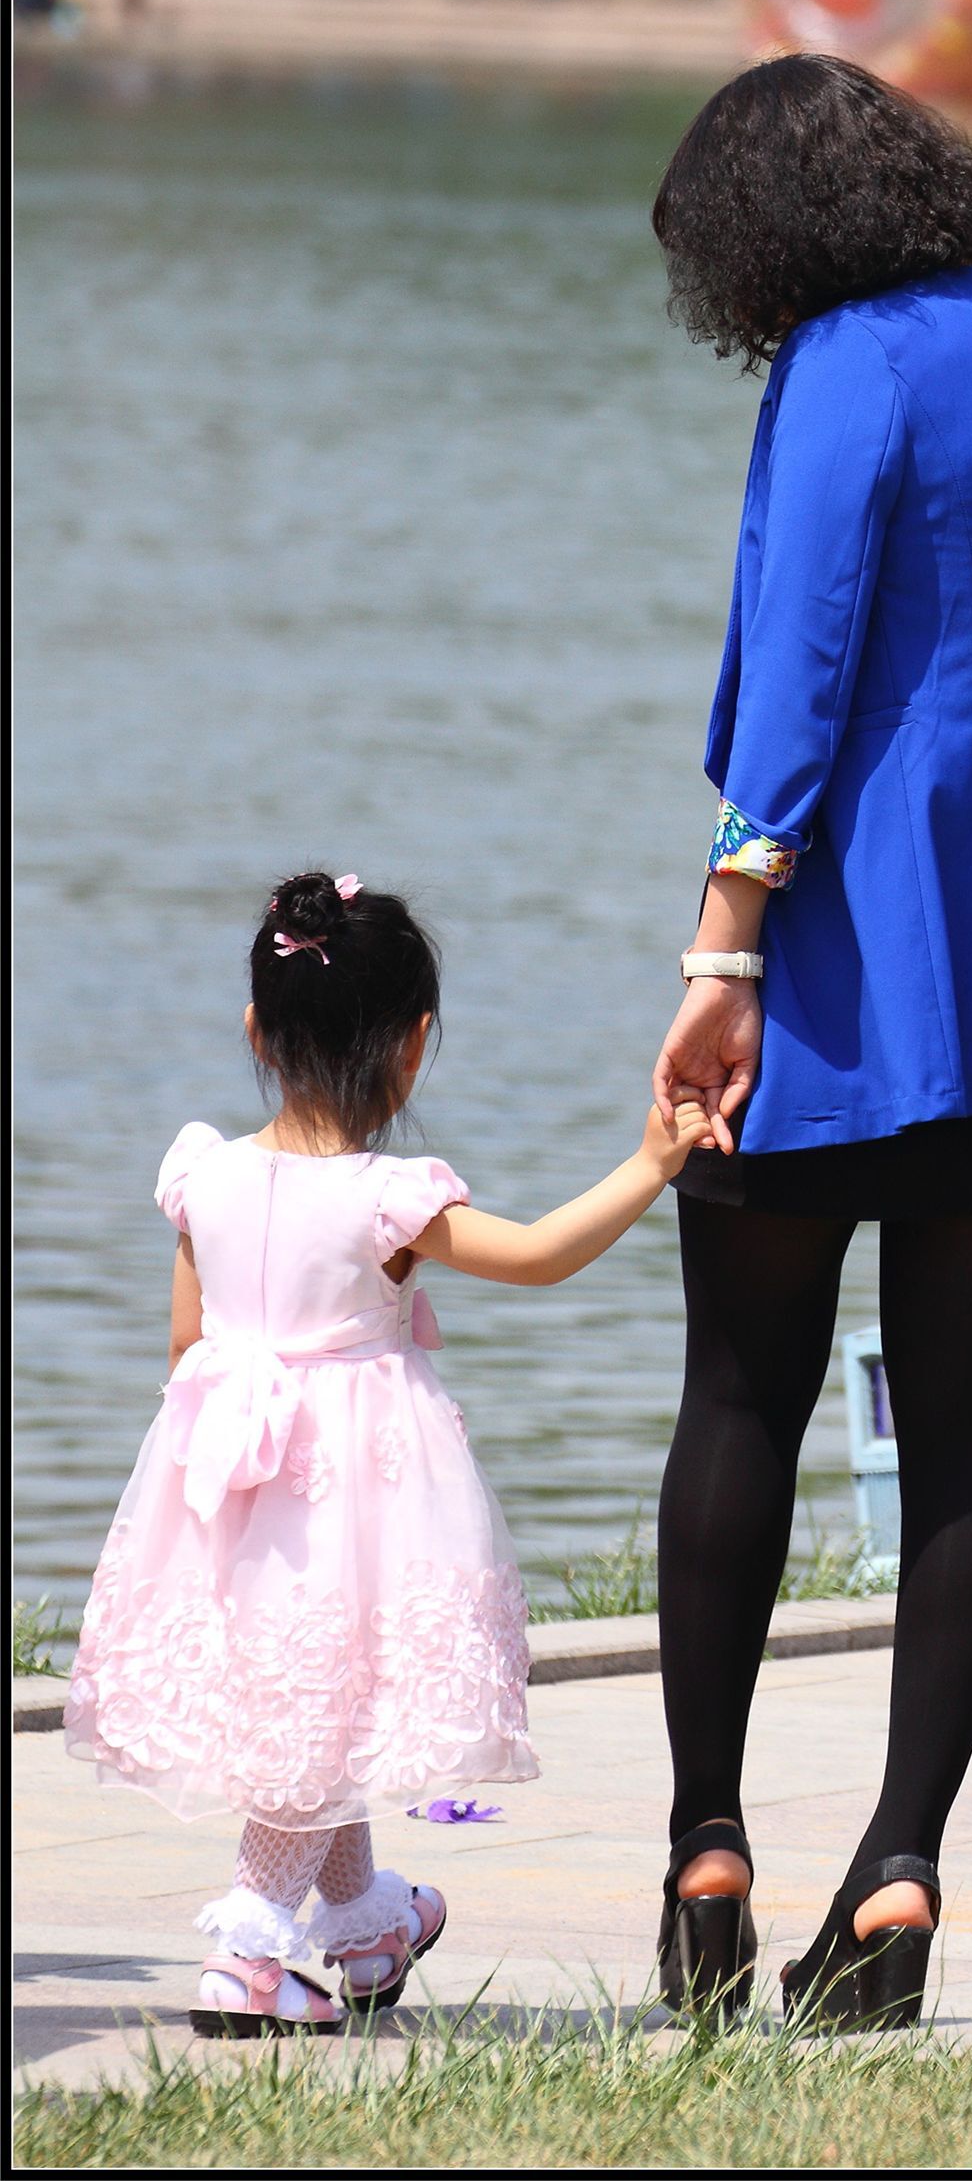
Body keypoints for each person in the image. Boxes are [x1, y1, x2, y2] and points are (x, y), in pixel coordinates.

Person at [647, 56, 972, 2029]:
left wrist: (725, 939)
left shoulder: (844, 365)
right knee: (964, 1427)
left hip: (846, 954)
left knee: (739, 1395)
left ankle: (706, 1846)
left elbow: (799, 658)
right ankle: (898, 1873)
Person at [63, 869, 714, 2039]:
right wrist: (650, 1164)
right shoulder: (385, 1201)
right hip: (354, 1494)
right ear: (414, 1048)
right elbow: (535, 1253)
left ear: (256, 1030)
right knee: (330, 1699)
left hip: (220, 1476)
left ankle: (364, 1921)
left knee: (318, 1700)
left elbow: (184, 1345)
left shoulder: (200, 1175)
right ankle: (249, 1946)